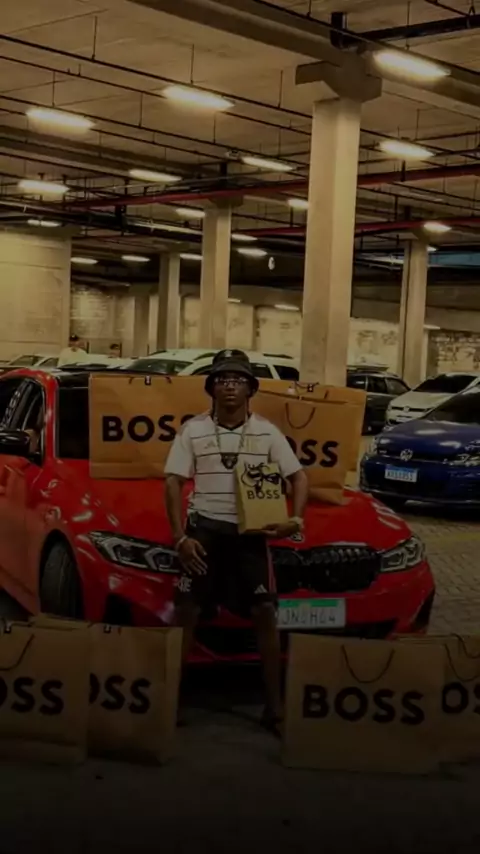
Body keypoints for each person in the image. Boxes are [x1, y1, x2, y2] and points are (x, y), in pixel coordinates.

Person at [164, 349, 308, 731]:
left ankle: (274, 709)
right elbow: (173, 482)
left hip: (249, 537)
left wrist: (295, 519)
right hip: (205, 533)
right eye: (223, 380)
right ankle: (168, 705)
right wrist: (180, 538)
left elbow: (298, 477)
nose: (230, 386)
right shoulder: (193, 430)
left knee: (265, 612)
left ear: (250, 389)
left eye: (238, 380)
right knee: (187, 612)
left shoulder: (267, 432)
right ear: (212, 388)